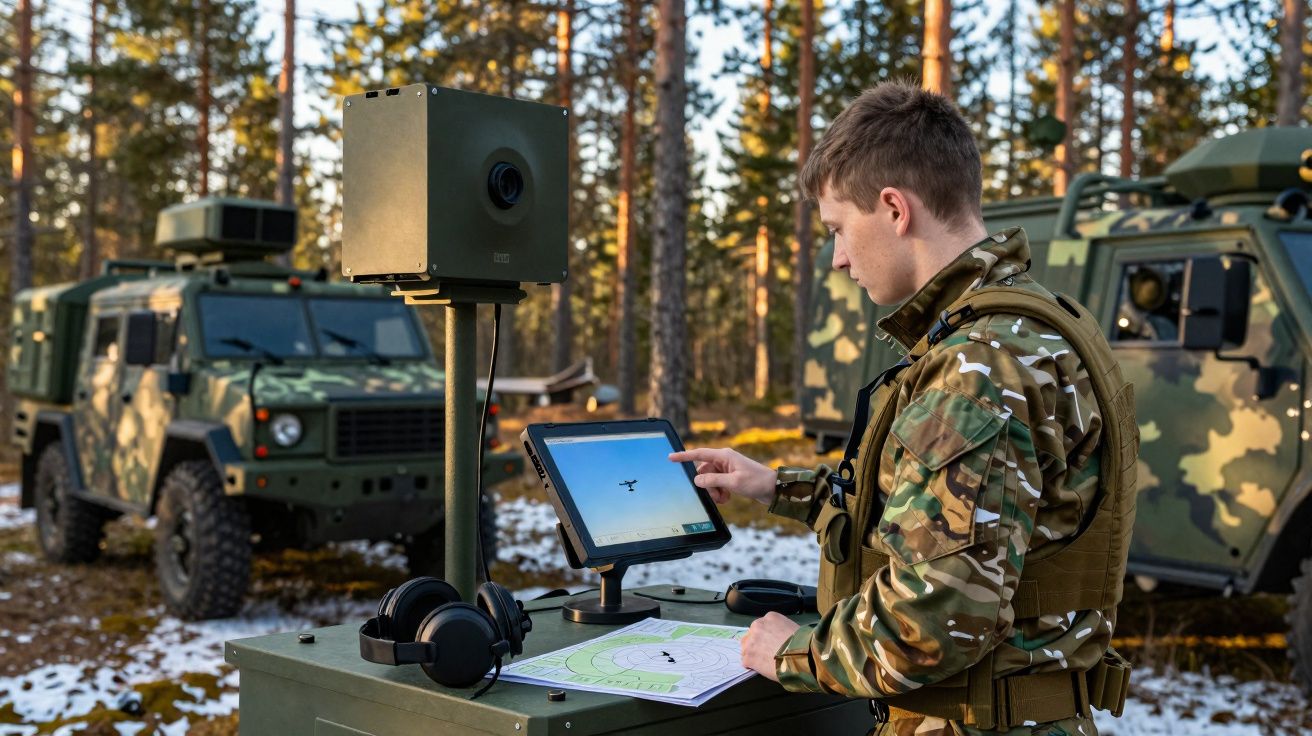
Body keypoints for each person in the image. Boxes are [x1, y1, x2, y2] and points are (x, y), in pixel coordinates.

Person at [671, 81, 1135, 735]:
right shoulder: (1037, 325)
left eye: (838, 229)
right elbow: (948, 515)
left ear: (894, 208)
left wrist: (792, 653)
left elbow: (933, 623)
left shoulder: (976, 369)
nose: (838, 259)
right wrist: (780, 486)